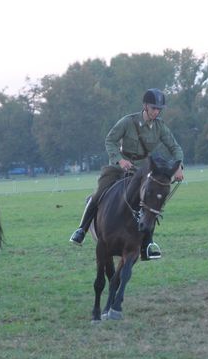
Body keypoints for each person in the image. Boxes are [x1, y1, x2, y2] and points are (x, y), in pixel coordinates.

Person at [69, 88, 185, 260]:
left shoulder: (160, 127)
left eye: (159, 109)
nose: (156, 111)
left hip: (144, 170)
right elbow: (110, 140)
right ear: (145, 106)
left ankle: (147, 245)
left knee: (151, 203)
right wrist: (119, 160)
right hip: (120, 167)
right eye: (154, 108)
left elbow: (175, 147)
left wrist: (178, 166)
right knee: (99, 192)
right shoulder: (128, 122)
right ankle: (81, 229)